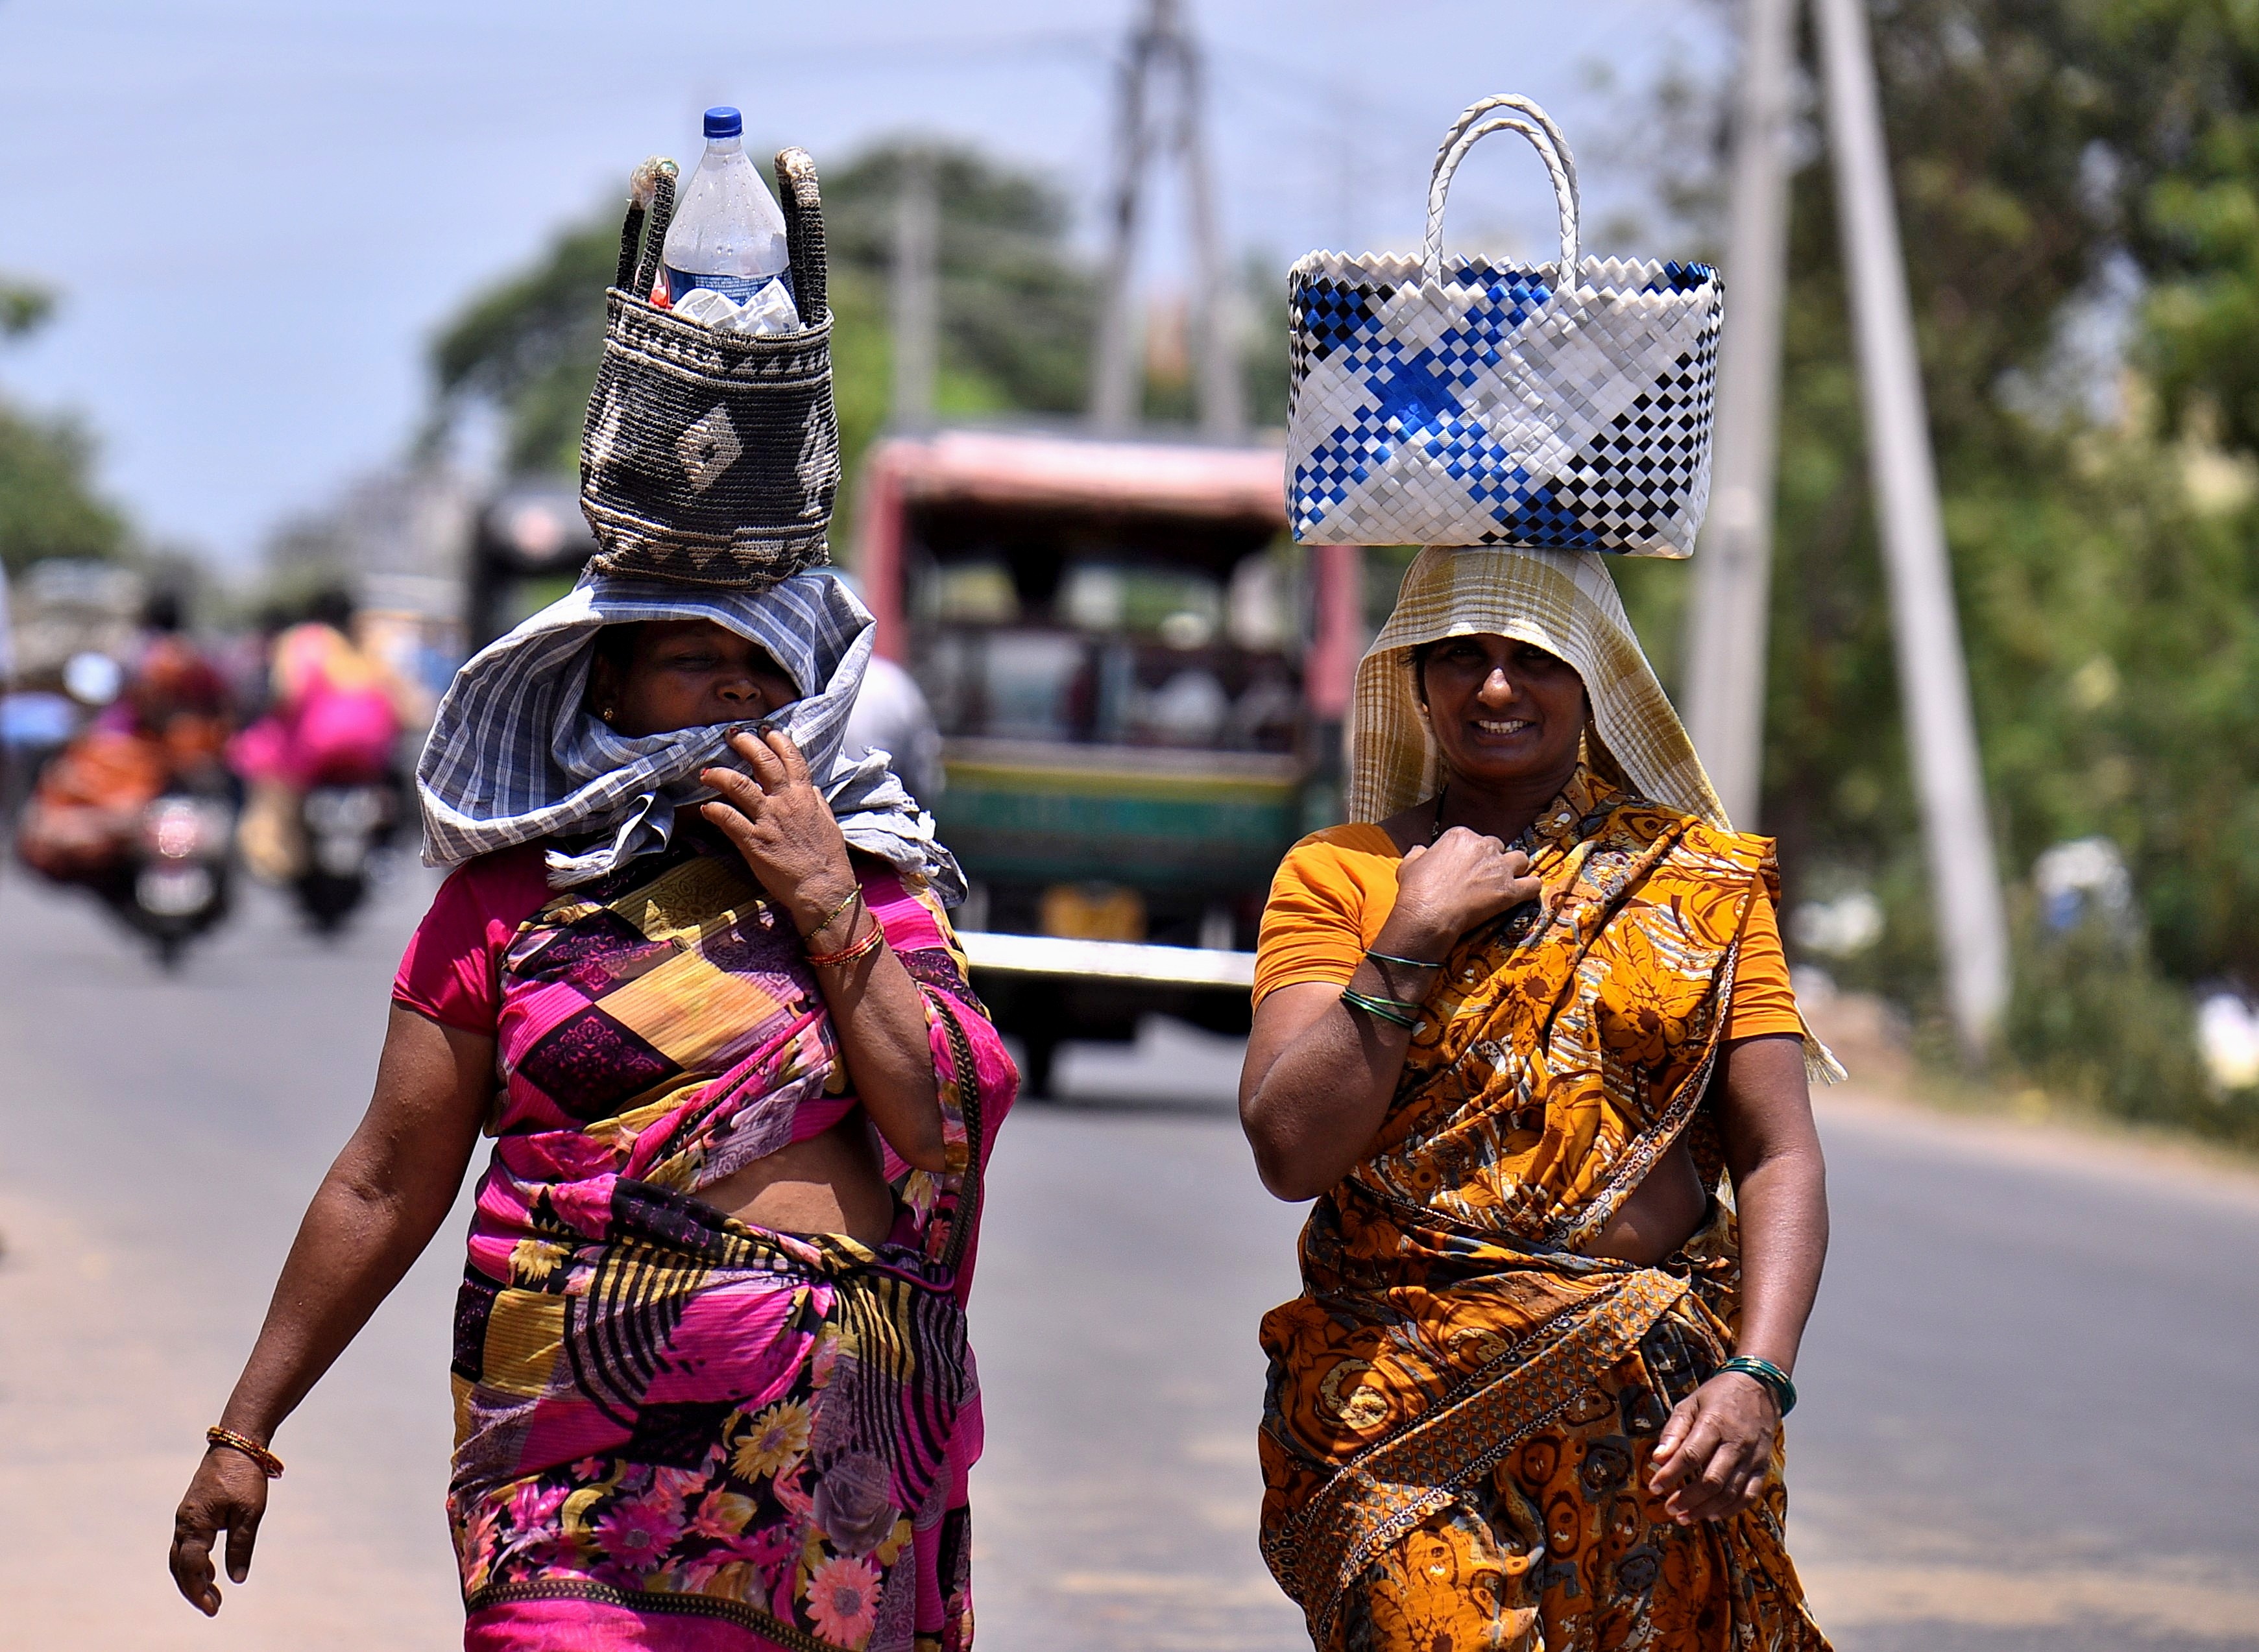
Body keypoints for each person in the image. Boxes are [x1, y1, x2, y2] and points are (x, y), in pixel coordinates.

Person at [169, 570, 1017, 1652]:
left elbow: (942, 1121)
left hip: (831, 1467)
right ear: (609, 686)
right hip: (569, 1468)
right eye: (693, 661)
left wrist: (822, 895)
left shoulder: (873, 881)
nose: (734, 691)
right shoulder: (507, 898)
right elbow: (387, 1177)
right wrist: (246, 1430)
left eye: (764, 665)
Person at [1240, 546, 1837, 1651]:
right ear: (1416, 681)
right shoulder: (1341, 875)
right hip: (1400, 1410)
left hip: (1648, 1423)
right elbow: (1288, 1151)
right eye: (1462, 656)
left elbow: (1776, 1154)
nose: (1496, 686)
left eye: (1536, 659)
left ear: (1593, 681)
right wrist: (1413, 933)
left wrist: (1759, 1371)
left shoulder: (1695, 886)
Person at [230, 585, 410, 882]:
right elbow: (398, 697)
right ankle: (385, 850)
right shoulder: (367, 643)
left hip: (313, 750)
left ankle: (283, 861)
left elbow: (287, 693)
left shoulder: (303, 641)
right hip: (370, 751)